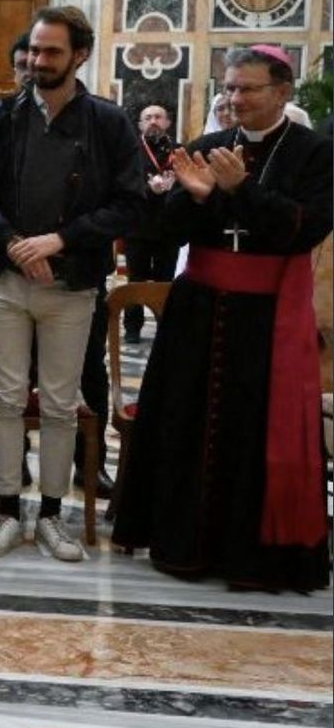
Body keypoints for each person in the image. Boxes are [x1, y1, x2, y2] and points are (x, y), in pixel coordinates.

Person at [113, 45, 333, 591]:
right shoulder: (209, 147)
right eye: (229, 88)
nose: (234, 100)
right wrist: (193, 198)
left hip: (268, 316)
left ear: (282, 91)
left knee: (255, 433)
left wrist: (241, 191)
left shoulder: (314, 153)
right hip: (199, 311)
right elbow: (163, 233)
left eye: (248, 89)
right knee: (186, 421)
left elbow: (305, 229)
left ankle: (251, 558)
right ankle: (182, 546)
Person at [0, 6, 143, 562]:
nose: (38, 61)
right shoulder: (0, 118)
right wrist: (15, 242)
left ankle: (54, 516)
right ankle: (8, 510)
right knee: (7, 400)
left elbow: (129, 203)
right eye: (34, 51)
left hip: (72, 283)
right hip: (4, 279)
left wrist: (59, 242)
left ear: (79, 55)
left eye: (51, 52)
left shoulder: (107, 122)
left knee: (61, 404)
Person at [123, 104, 180, 343]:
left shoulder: (179, 151)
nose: (153, 121)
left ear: (168, 122)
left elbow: (191, 185)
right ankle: (133, 328)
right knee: (135, 278)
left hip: (168, 226)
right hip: (138, 225)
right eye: (147, 118)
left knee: (165, 280)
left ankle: (164, 326)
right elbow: (123, 184)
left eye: (158, 117)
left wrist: (173, 187)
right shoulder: (129, 151)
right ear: (140, 125)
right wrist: (149, 188)